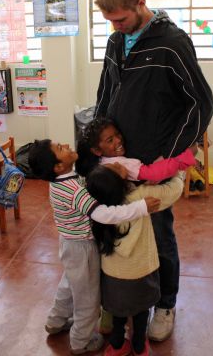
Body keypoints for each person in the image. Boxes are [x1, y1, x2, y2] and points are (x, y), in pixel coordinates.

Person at [94, 0, 213, 341]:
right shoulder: (116, 42)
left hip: (152, 165)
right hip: (116, 161)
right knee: (117, 232)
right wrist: (95, 145)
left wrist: (168, 157)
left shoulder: (171, 43)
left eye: (121, 19)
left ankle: (165, 303)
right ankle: (119, 305)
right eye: (109, 20)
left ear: (141, 3)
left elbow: (199, 104)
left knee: (159, 236)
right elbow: (105, 93)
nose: (115, 26)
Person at [28, 139, 159, 354]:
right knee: (87, 299)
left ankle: (55, 321)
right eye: (60, 148)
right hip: (83, 249)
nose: (64, 144)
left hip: (68, 244)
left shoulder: (59, 182)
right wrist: (140, 207)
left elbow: (82, 183)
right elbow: (104, 214)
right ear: (58, 166)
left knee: (69, 285)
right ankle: (81, 341)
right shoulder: (73, 190)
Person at [86, 164, 184, 356]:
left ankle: (116, 345)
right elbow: (173, 192)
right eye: (114, 168)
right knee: (141, 314)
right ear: (118, 183)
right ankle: (139, 346)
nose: (119, 163)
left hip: (113, 276)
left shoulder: (97, 209)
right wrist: (179, 174)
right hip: (142, 272)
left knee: (118, 314)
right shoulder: (140, 198)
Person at [76, 116, 197, 181]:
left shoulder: (102, 162)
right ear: (97, 150)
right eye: (110, 140)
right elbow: (152, 173)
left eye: (118, 134)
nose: (118, 140)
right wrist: (185, 156)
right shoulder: (120, 164)